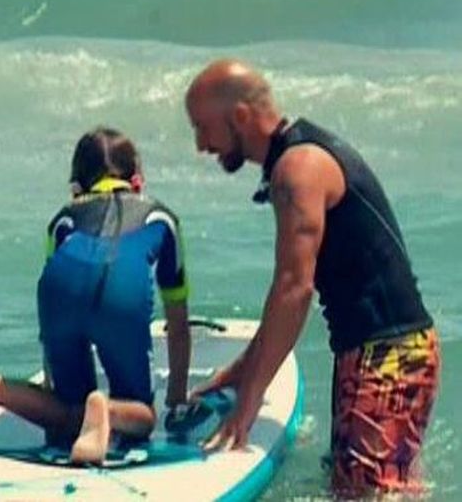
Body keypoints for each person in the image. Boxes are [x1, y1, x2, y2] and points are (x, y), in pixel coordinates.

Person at [184, 59, 439, 497]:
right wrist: (244, 369)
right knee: (374, 487)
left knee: (367, 494)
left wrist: (247, 406)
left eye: (203, 128)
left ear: (240, 116)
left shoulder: (297, 169)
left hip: (386, 358)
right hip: (391, 352)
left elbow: (293, 289)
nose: (200, 145)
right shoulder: (301, 153)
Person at [0, 126, 192, 464]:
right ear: (137, 182)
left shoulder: (63, 220)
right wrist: (177, 399)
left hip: (58, 292)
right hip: (120, 297)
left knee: (66, 411)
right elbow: (178, 324)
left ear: (76, 189)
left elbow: (52, 287)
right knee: (142, 417)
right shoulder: (162, 218)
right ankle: (106, 410)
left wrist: (57, 395)